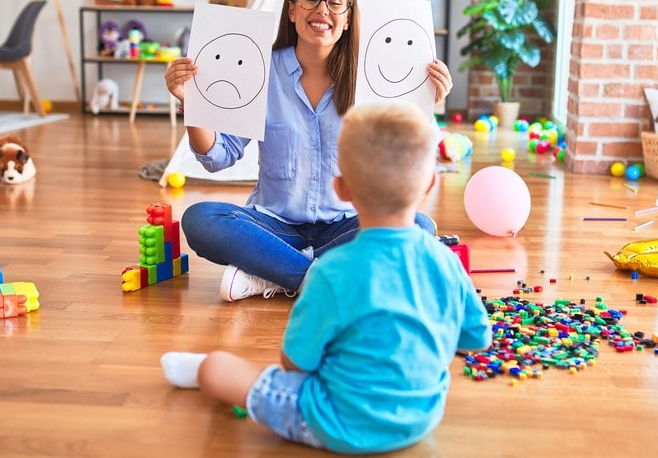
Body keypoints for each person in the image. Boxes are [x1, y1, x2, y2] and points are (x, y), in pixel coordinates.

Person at [160, 102, 492, 454]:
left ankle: (265, 281)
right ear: (430, 183)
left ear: (342, 189)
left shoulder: (332, 273)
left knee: (217, 368)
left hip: (331, 421)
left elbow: (295, 364)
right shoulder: (446, 261)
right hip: (421, 420)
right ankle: (275, 269)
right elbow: (476, 339)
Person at [165, 0, 454, 301]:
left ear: (348, 18)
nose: (322, 10)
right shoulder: (261, 69)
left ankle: (274, 275)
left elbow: (400, 160)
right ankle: (322, 279)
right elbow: (218, 158)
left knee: (420, 227)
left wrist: (425, 105)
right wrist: (193, 103)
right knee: (200, 218)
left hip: (347, 224)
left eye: (336, 2)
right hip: (272, 228)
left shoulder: (373, 78)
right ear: (292, 9)